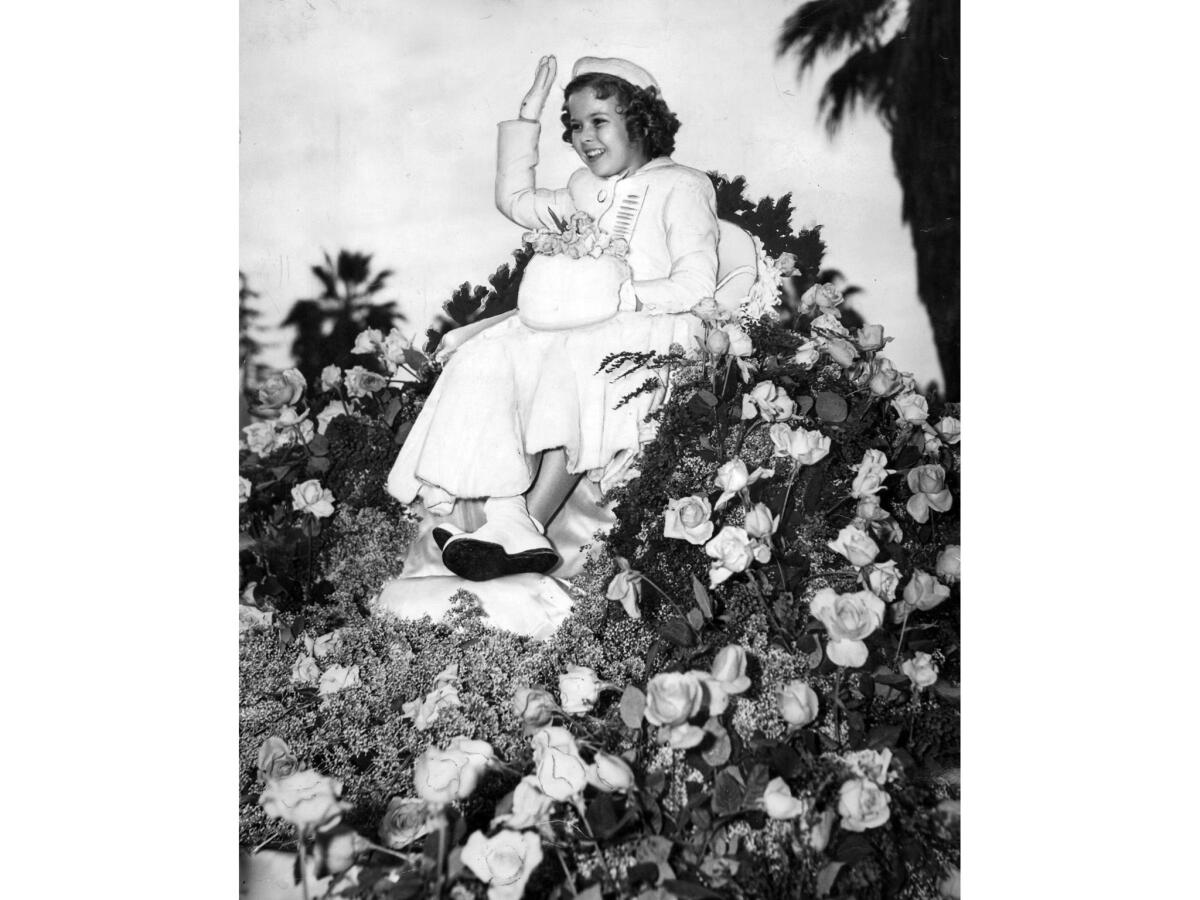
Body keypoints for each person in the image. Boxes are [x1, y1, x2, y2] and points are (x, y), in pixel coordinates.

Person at [387, 54, 720, 581]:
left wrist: (618, 296)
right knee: (485, 355)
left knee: (575, 362)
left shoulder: (682, 185)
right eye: (574, 125)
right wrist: (527, 117)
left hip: (646, 327)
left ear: (640, 121)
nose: (584, 137)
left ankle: (528, 523)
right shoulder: (580, 190)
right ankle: (504, 514)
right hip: (569, 325)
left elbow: (697, 283)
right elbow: (514, 199)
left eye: (599, 122)